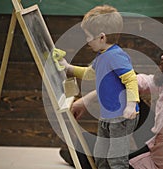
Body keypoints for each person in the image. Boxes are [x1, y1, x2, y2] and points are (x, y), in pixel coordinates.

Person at [60, 31, 163, 169]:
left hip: (161, 165)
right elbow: (140, 82)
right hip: (160, 145)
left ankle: (78, 153)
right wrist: (87, 99)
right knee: (127, 85)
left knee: (86, 150)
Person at [58, 5, 140, 169]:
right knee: (101, 154)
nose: (87, 40)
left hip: (121, 117)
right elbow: (90, 73)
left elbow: (131, 79)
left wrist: (131, 105)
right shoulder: (102, 56)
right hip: (107, 116)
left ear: (102, 37)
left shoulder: (117, 56)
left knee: (116, 159)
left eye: (88, 36)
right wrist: (68, 68)